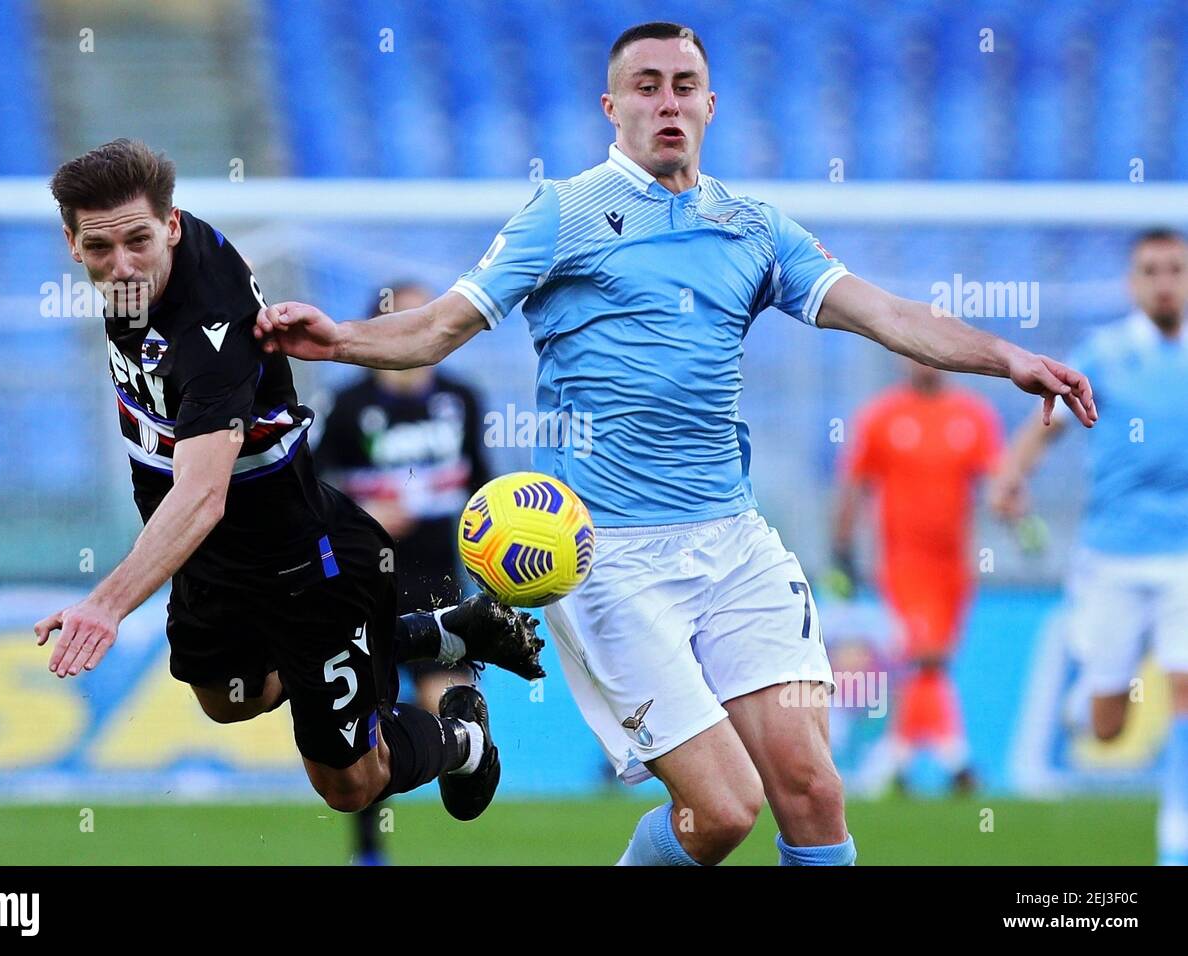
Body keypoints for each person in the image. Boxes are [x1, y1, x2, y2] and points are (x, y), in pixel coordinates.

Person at [255, 22, 1096, 865]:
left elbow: (892, 315)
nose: (668, 101)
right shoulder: (563, 213)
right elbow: (437, 328)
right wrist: (339, 339)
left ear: (710, 104)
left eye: (684, 85)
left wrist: (1008, 358)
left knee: (811, 787)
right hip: (609, 557)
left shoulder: (755, 228)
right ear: (611, 106)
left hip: (734, 544)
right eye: (647, 85)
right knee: (725, 813)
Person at [34, 139, 544, 826]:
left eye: (138, 241)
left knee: (350, 787)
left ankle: (461, 739)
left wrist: (106, 603)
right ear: (71, 243)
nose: (122, 266)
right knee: (226, 698)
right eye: (100, 248)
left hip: (302, 564)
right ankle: (433, 631)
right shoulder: (146, 274)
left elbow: (203, 496)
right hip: (209, 554)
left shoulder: (209, 334)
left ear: (173, 226)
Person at [990, 228, 1188, 865]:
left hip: (1183, 553)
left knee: (1185, 689)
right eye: (1152, 271)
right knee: (1108, 725)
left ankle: (1176, 839)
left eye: (1176, 270)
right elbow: (1044, 425)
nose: (1164, 281)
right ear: (1133, 284)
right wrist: (1011, 477)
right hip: (1112, 557)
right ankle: (1091, 697)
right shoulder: (1103, 354)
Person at [315, 281, 493, 863]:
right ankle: (369, 851)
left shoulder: (462, 399)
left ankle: (463, 769)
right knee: (364, 724)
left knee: (459, 706)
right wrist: (363, 513)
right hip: (369, 590)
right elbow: (309, 492)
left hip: (442, 584)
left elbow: (484, 487)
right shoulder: (349, 405)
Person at [832, 358, 1004, 794]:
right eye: (915, 353)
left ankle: (897, 758)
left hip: (955, 564)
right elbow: (854, 483)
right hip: (904, 560)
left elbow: (998, 480)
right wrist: (841, 549)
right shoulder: (882, 416)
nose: (924, 362)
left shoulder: (972, 415)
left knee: (934, 662)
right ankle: (955, 756)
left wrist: (1021, 521)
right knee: (926, 655)